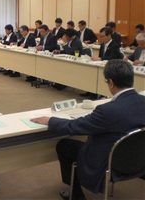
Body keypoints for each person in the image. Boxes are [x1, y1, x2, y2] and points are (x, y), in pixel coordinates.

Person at [31, 59, 145, 200]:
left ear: (111, 82)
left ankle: (76, 195)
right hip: (138, 160)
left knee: (64, 145)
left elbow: (75, 126)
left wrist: (50, 120)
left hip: (108, 162)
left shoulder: (107, 110)